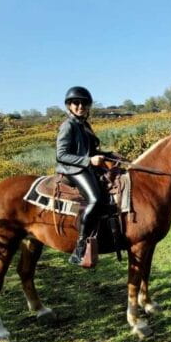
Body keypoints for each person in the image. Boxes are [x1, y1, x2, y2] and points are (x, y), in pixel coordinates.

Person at [55, 86, 109, 266]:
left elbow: (91, 150)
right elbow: (61, 155)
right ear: (69, 106)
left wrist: (108, 155)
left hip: (85, 166)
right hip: (72, 169)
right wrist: (89, 161)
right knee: (95, 198)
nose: (80, 106)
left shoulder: (84, 125)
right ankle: (80, 246)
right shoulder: (68, 126)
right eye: (76, 103)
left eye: (84, 103)